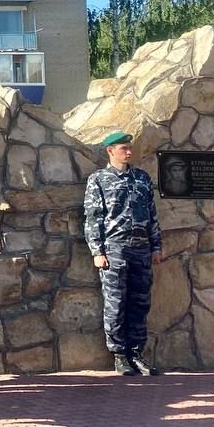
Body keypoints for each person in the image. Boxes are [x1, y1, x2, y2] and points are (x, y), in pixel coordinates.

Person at [84, 132, 163, 377]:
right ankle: (119, 355)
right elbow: (93, 218)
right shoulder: (98, 179)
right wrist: (98, 250)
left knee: (140, 303)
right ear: (110, 151)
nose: (129, 152)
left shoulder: (141, 178)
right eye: (123, 148)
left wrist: (156, 246)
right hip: (115, 249)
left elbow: (152, 214)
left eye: (130, 148)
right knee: (116, 304)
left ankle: (137, 354)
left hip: (141, 249)